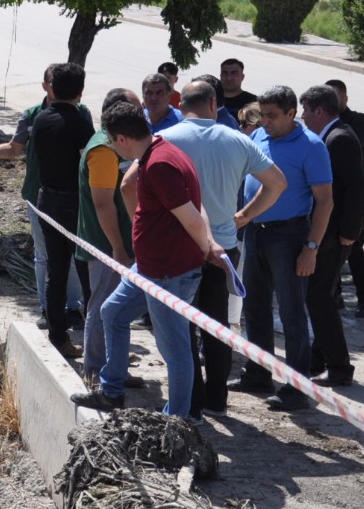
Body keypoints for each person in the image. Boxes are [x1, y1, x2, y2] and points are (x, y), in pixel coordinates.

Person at [71, 101, 218, 418]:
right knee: (112, 313)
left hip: (170, 272)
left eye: (111, 141)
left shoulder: (160, 165)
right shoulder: (158, 151)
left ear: (121, 138)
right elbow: (196, 204)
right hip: (150, 268)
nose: (111, 147)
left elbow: (192, 216)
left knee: (175, 348)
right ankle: (112, 392)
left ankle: (177, 419)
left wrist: (207, 248)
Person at [159, 78, 287, 418]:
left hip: (179, 247)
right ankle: (217, 399)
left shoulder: (165, 141)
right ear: (214, 104)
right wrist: (245, 215)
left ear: (181, 105)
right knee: (216, 325)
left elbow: (132, 184)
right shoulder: (237, 140)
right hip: (224, 247)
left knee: (182, 326)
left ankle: (192, 402)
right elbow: (277, 183)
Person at [228, 86, 334, 411]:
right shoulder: (259, 136)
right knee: (254, 306)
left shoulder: (311, 147)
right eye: (263, 114)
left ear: (292, 113)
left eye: (273, 116)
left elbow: (325, 201)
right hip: (256, 234)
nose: (266, 121)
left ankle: (297, 386)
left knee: (291, 313)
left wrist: (311, 247)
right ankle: (258, 372)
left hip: (289, 237)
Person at [0, 68, 62, 325]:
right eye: (56, 84)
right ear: (45, 86)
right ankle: (48, 310)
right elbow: (14, 149)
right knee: (44, 254)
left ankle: (72, 307)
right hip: (38, 196)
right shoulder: (32, 115)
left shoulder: (80, 114)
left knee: (72, 251)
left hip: (71, 197)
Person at [298, 85, 364, 388]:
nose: (302, 117)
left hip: (334, 234)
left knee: (319, 298)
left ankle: (339, 367)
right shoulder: (332, 135)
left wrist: (349, 235)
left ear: (319, 111)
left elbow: (357, 189)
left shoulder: (338, 138)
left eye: (305, 110)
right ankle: (317, 360)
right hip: (330, 232)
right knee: (320, 296)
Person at [28, 63, 95, 358]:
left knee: (56, 270)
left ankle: (58, 335)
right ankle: (98, 344)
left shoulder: (41, 118)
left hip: (47, 200)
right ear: (80, 91)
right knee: (87, 270)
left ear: (51, 89)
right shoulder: (80, 122)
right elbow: (88, 162)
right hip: (75, 204)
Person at [76, 87, 139, 386]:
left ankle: (114, 369)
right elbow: (103, 203)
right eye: (135, 110)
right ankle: (96, 372)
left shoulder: (113, 145)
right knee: (102, 308)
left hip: (117, 244)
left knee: (116, 311)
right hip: (108, 245)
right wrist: (118, 248)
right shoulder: (104, 150)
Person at [326, 78, 364, 317]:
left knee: (354, 247)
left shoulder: (358, 121)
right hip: (328, 193)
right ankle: (334, 295)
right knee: (327, 246)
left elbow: (354, 142)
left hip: (354, 194)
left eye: (336, 97)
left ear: (345, 99)